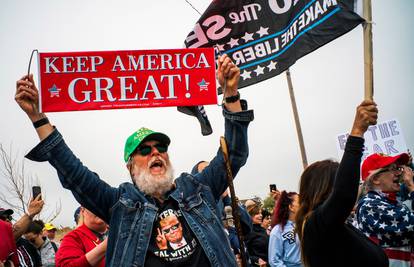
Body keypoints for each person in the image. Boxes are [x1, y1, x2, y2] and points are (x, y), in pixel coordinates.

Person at [15, 54, 253, 266]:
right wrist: (37, 116)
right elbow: (73, 172)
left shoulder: (197, 188)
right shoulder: (119, 202)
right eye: (145, 150)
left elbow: (234, 155)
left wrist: (231, 93)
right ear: (130, 166)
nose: (155, 153)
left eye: (160, 147)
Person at [295, 100, 388, 267]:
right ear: (325, 187)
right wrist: (357, 131)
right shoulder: (316, 225)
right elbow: (344, 194)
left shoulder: (336, 226)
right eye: (338, 179)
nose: (347, 182)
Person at [357, 152, 414, 267]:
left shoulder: (390, 202)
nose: (399, 173)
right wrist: (411, 186)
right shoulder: (370, 205)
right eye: (393, 169)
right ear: (376, 178)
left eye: (399, 168)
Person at [268, 191, 302, 267]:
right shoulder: (277, 231)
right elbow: (274, 261)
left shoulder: (304, 225)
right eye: (300, 202)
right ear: (291, 207)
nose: (303, 205)